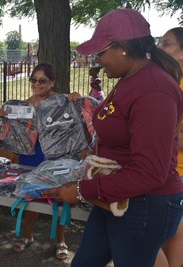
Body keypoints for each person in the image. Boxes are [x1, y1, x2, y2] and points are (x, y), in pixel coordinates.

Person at [45, 9, 183, 266]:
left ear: (122, 48)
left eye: (101, 52)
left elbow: (150, 172)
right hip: (116, 195)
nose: (97, 61)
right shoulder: (131, 78)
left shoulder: (154, 89)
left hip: (144, 203)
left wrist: (81, 191)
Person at [0, 63, 81, 260]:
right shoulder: (23, 105)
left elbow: (79, 121)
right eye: (33, 80)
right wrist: (0, 116)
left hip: (57, 156)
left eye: (42, 81)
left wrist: (75, 99)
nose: (37, 84)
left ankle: (60, 240)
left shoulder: (62, 101)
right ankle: (27, 236)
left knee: (60, 199)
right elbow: (10, 132)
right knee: (29, 196)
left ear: (52, 82)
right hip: (32, 155)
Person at [154, 27, 183, 267]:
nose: (159, 49)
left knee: (145, 240)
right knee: (172, 236)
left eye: (166, 43)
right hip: (168, 174)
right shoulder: (170, 81)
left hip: (175, 176)